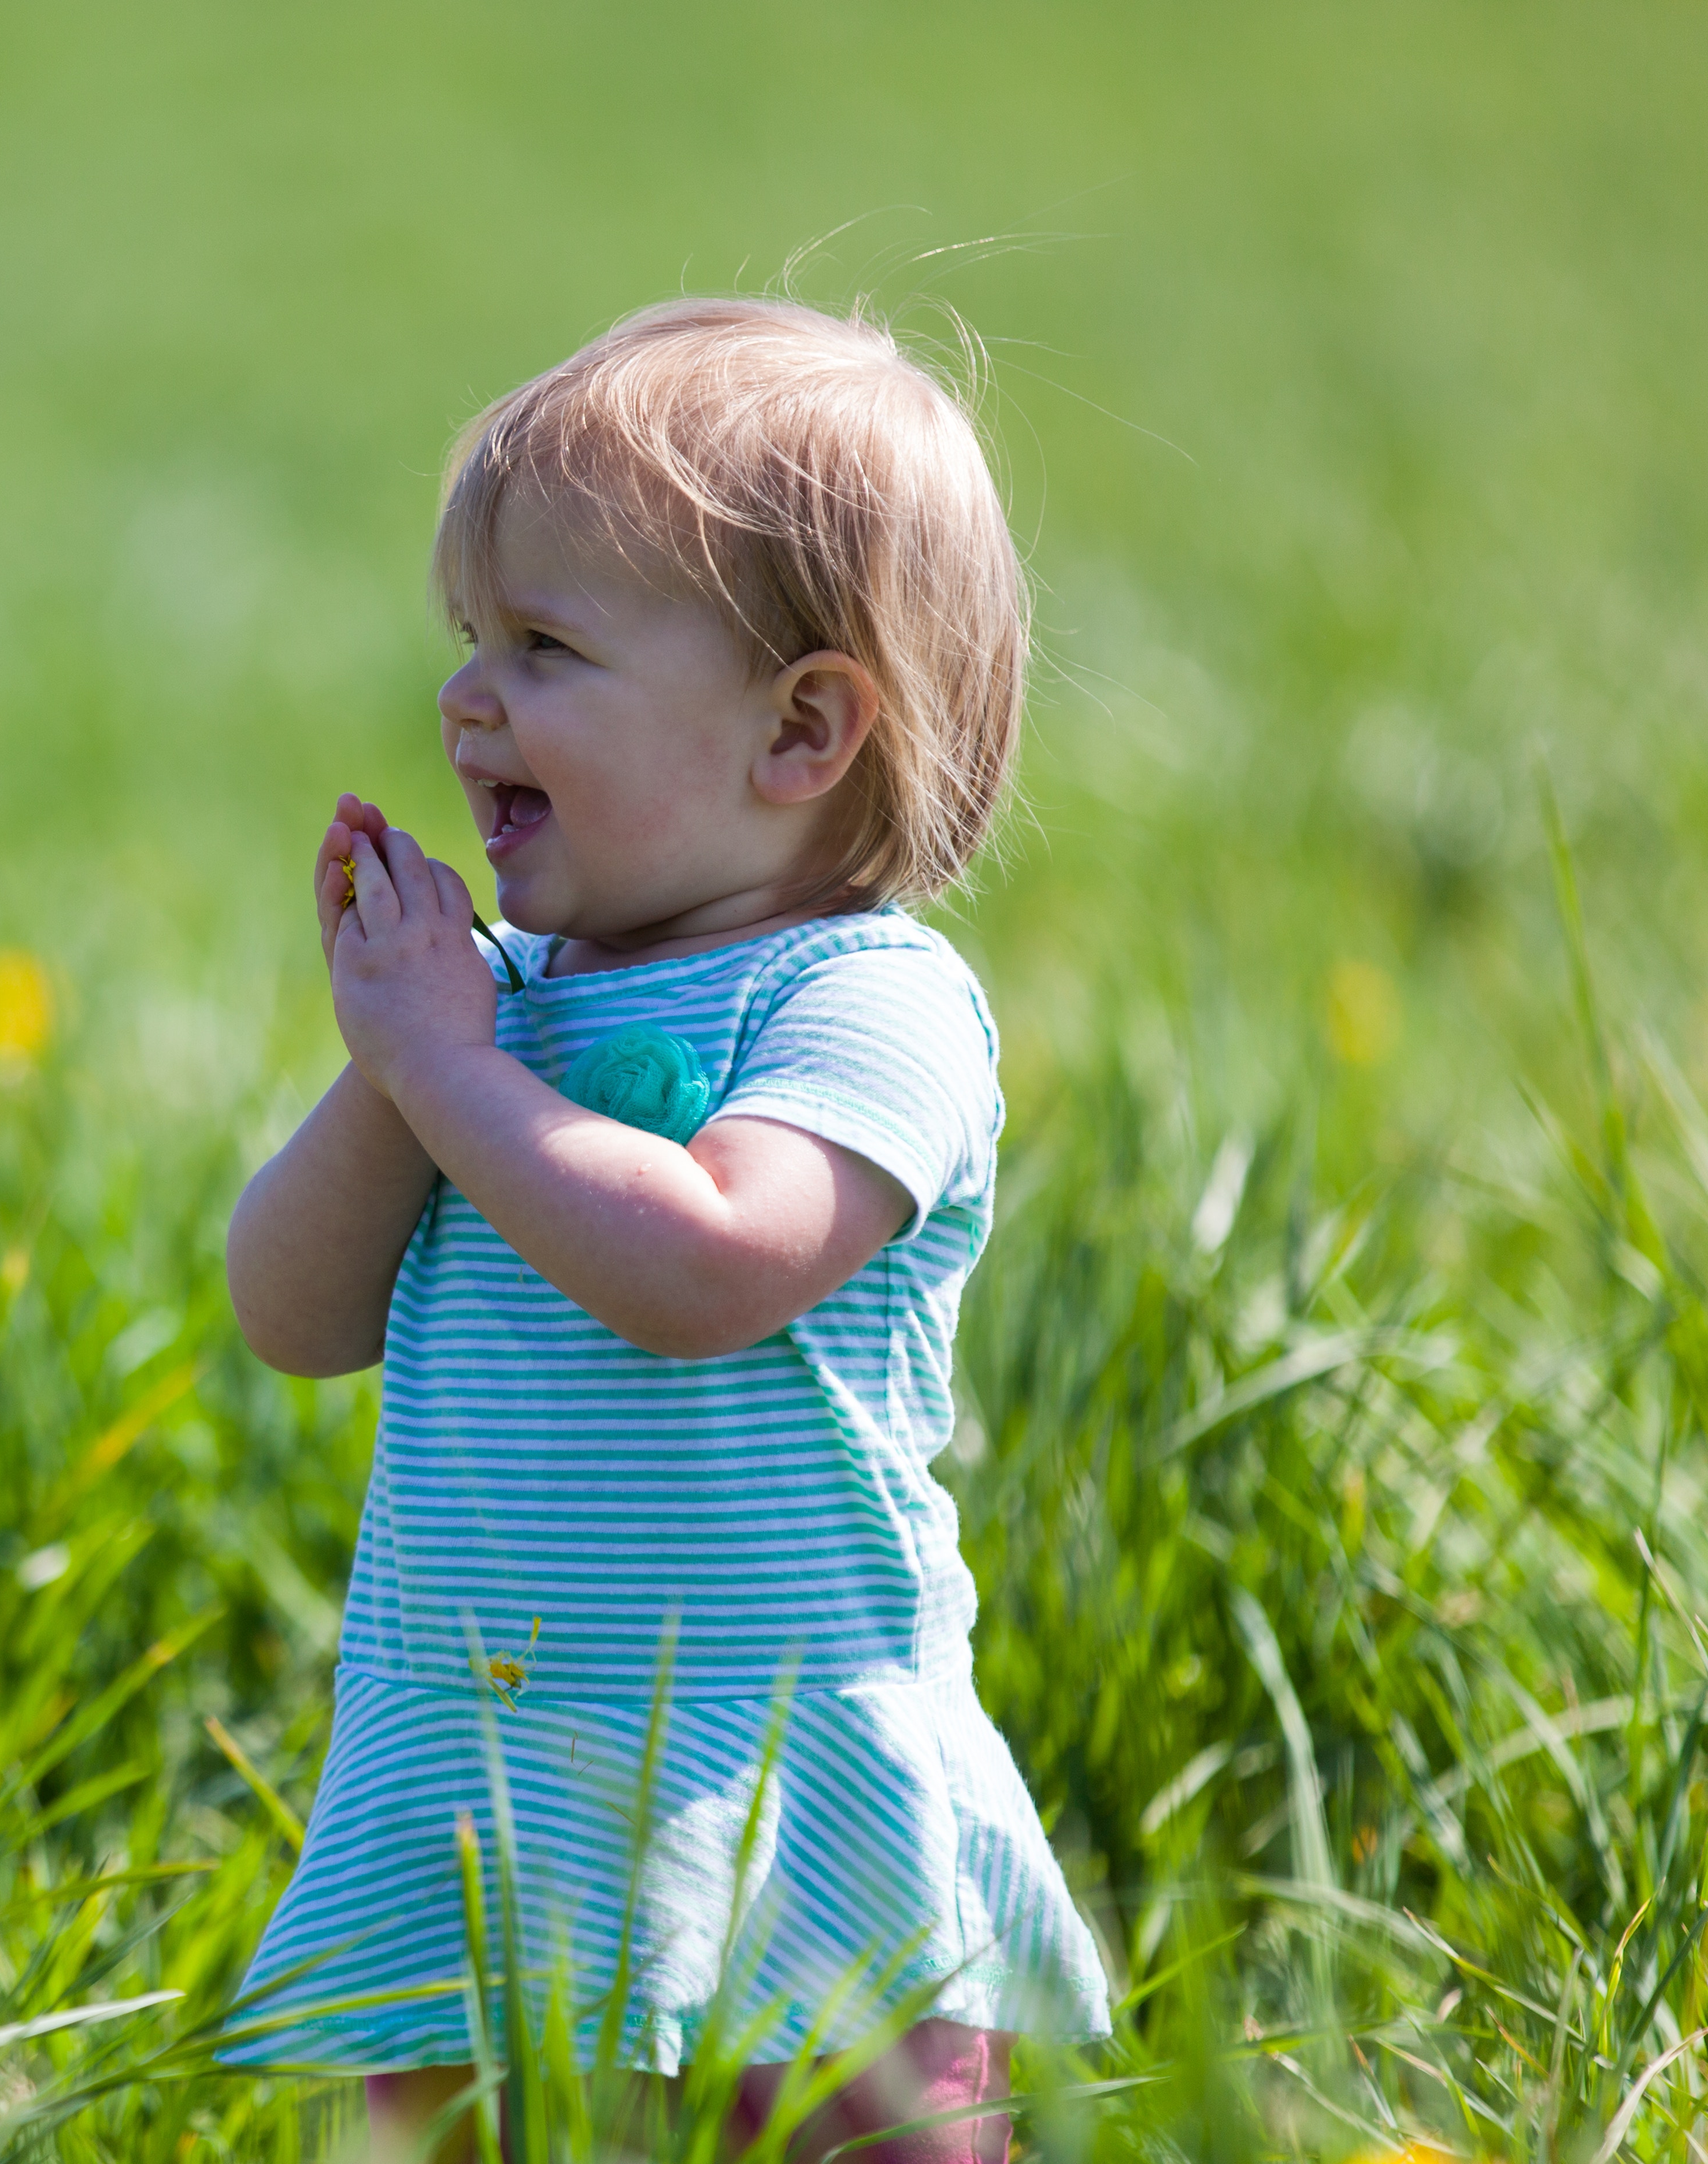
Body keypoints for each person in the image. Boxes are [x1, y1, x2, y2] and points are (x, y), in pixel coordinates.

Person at [218, 297, 1111, 2161]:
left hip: (799, 1810)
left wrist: (458, 1076)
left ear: (802, 729)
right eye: (472, 641)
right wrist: (403, 1065)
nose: (467, 700)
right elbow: (292, 1312)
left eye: (544, 648)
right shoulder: (493, 1016)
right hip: (490, 1806)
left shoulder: (869, 1005)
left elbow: (712, 1265)